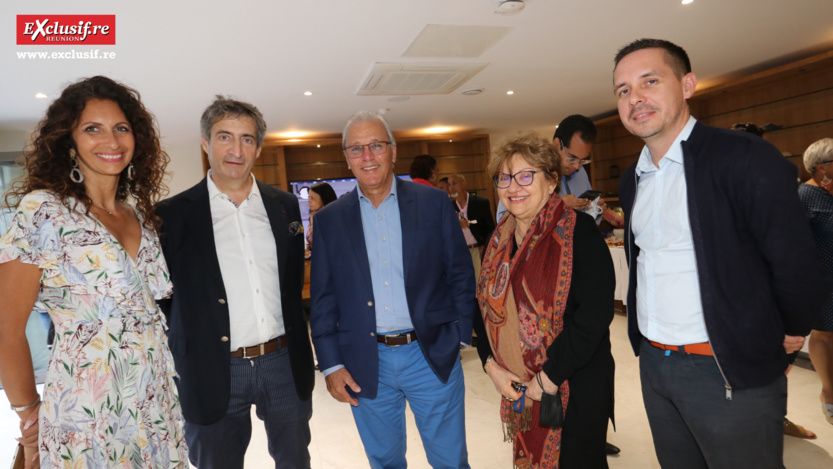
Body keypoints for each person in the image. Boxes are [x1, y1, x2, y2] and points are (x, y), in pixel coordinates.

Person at [615, 38, 830, 468]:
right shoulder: (632, 178)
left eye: (650, 81)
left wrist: (788, 330)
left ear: (687, 85)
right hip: (656, 364)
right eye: (623, 90)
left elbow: (796, 260)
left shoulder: (745, 157)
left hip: (727, 366)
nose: (634, 97)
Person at [0, 76, 187, 468]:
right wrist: (28, 410)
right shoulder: (45, 211)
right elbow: (6, 328)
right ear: (68, 141)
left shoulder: (139, 218)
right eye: (92, 129)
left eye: (121, 128)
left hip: (154, 405)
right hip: (85, 412)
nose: (112, 141)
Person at [310, 111, 476, 468]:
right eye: (357, 148)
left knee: (450, 460)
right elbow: (323, 299)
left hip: (429, 354)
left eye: (376, 145)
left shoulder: (433, 203)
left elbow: (460, 273)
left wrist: (460, 336)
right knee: (384, 462)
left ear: (394, 151)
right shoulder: (329, 220)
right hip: (364, 361)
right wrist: (331, 364)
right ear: (347, 158)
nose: (367, 156)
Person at [156, 96, 315, 469]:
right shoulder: (171, 215)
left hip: (282, 361)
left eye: (247, 139)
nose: (236, 150)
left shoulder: (284, 206)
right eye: (224, 137)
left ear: (258, 148)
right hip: (211, 367)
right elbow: (165, 299)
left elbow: (291, 282)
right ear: (205, 143)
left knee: (295, 461)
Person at [475, 133, 615, 468]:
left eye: (526, 176)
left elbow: (593, 316)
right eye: (504, 178)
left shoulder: (579, 232)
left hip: (575, 386)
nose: (513, 187)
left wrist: (547, 378)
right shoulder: (498, 240)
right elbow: (481, 310)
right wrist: (491, 366)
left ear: (552, 181)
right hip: (518, 388)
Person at [732, 122, 817, 439]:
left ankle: (774, 418)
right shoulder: (722, 186)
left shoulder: (773, 183)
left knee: (781, 359)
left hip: (772, 289)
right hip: (742, 295)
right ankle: (757, 422)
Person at [798, 138, 833, 426]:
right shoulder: (804, 195)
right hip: (824, 278)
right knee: (825, 334)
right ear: (822, 167)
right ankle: (829, 392)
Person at [553, 115, 624, 228]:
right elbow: (528, 220)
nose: (577, 166)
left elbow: (589, 221)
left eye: (583, 160)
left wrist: (596, 210)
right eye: (572, 158)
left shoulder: (581, 172)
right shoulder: (537, 172)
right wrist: (558, 204)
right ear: (557, 145)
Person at [448, 173, 496, 279]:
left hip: (476, 250)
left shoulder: (480, 203)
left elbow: (490, 229)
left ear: (464, 184)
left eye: (454, 183)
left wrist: (484, 246)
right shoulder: (449, 207)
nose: (451, 188)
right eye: (449, 184)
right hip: (458, 252)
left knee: (479, 282)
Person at [305, 181, 336, 256]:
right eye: (309, 197)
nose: (308, 201)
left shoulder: (332, 218)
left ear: (324, 198)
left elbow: (322, 244)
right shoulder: (314, 215)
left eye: (312, 198)